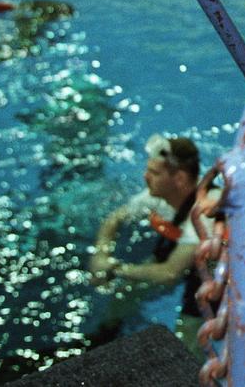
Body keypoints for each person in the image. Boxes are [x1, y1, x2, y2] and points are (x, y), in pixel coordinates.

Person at [88, 134, 214, 351]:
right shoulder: (160, 194)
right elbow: (114, 219)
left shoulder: (203, 217)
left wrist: (115, 268)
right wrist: (101, 253)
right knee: (125, 295)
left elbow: (169, 274)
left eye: (154, 173)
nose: (145, 177)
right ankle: (103, 341)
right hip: (178, 249)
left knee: (188, 341)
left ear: (180, 179)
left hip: (211, 273)